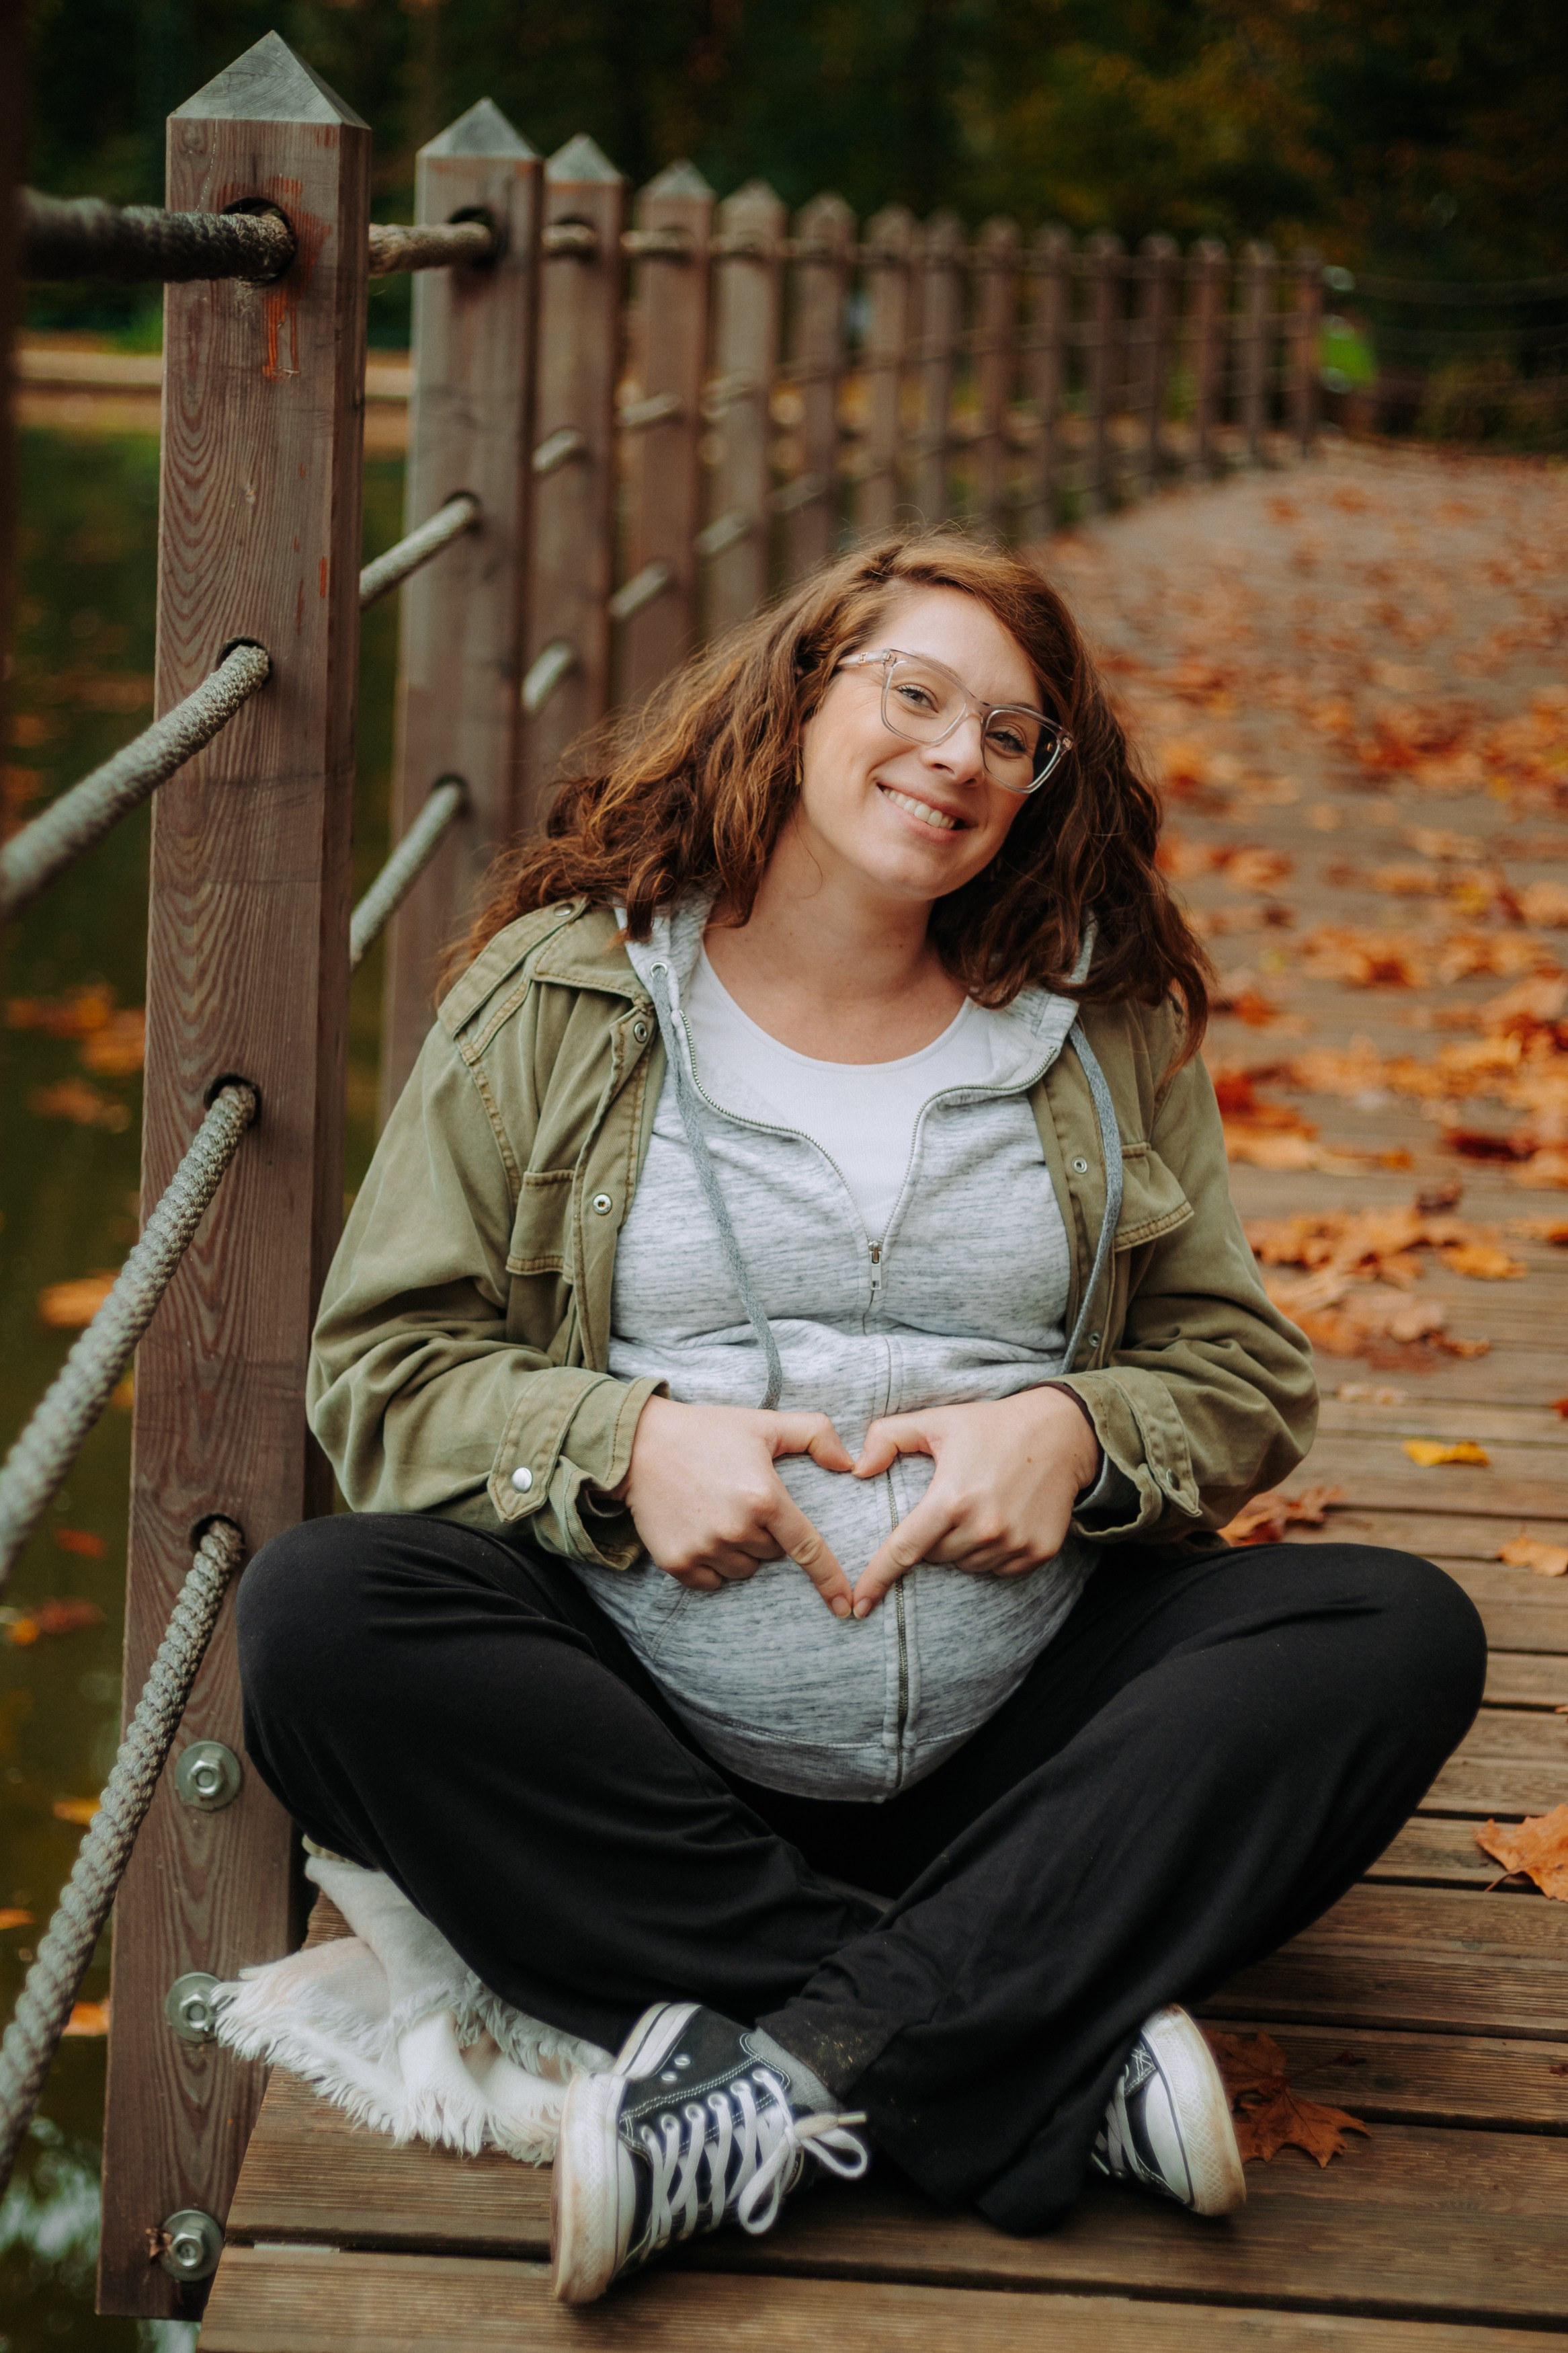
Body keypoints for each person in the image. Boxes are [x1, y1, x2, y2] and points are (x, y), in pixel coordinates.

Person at [237, 533, 1485, 2305]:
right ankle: (1032, 2042)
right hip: (652, 1750)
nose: (958, 755)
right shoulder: (563, 994)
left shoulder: (1100, 1023)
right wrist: (622, 1444)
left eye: (1012, 734)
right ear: (800, 693)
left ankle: (783, 2069)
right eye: (916, 694)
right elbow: (382, 1366)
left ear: (1041, 785)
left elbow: (1239, 1367)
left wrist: (1075, 1435)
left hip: (1022, 1750)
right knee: (320, 1613)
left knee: (1393, 1629)